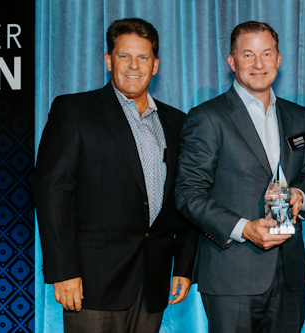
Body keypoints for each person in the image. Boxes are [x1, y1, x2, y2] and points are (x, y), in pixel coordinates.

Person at [34, 18, 198, 333]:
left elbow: (186, 197)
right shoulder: (74, 111)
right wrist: (62, 270)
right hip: (91, 281)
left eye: (143, 57)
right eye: (124, 56)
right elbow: (52, 192)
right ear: (109, 61)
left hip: (152, 281)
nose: (133, 66)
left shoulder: (177, 122)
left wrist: (185, 265)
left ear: (156, 65)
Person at [175, 21, 305, 333]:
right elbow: (188, 194)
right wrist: (245, 229)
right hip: (231, 276)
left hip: (290, 276)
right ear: (232, 62)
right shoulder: (207, 117)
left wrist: (301, 196)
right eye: (248, 55)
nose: (258, 64)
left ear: (278, 60)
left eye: (266, 54)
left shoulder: (300, 117)